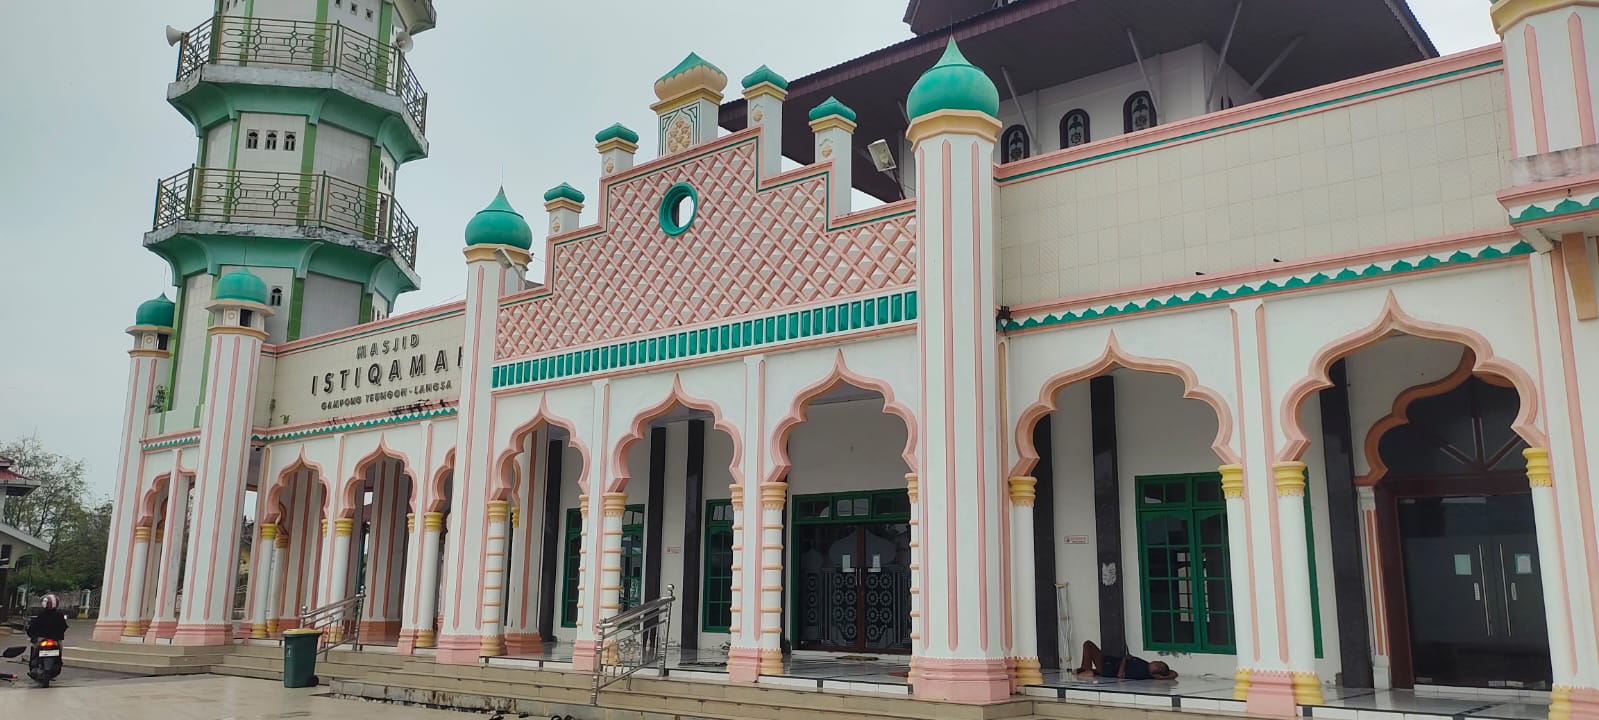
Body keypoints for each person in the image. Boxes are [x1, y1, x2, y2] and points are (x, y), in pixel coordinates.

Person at [1075, 641, 1178, 681]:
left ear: (1155, 672)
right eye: (1158, 662)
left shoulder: (1142, 671)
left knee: (1088, 645)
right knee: (1089, 647)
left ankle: (1085, 671)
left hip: (1107, 667)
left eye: (1156, 664)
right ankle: (1088, 671)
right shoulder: (1147, 668)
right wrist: (1162, 677)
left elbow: (1120, 675)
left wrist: (1125, 659)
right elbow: (1174, 673)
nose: (1155, 661)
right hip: (1109, 662)